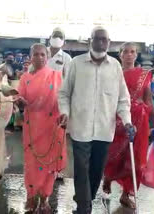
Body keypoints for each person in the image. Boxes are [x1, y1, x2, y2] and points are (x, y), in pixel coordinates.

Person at [58, 27, 134, 214]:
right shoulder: (76, 63)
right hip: (80, 128)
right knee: (81, 169)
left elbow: (123, 99)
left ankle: (86, 199)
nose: (101, 42)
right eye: (97, 39)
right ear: (90, 41)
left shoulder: (115, 66)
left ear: (109, 42)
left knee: (96, 171)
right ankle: (84, 208)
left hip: (104, 129)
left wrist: (127, 121)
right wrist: (65, 112)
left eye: (104, 39)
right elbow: (64, 93)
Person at [102, 42, 154, 209]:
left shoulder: (144, 74)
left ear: (136, 55)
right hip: (117, 119)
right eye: (125, 52)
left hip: (140, 121)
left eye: (132, 52)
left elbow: (148, 99)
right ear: (119, 54)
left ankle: (126, 194)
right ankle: (108, 178)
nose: (129, 55)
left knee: (136, 158)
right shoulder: (112, 72)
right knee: (114, 155)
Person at [14, 43, 67, 213]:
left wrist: (65, 113)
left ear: (48, 56)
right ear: (30, 57)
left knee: (49, 165)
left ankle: (44, 198)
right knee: (31, 163)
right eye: (36, 54)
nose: (39, 58)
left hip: (52, 127)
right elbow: (19, 97)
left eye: (43, 54)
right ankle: (31, 197)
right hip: (32, 127)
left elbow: (63, 100)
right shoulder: (25, 78)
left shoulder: (56, 76)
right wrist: (19, 102)